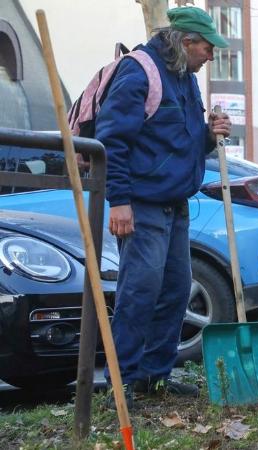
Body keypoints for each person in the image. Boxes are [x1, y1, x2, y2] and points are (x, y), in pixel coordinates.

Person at [96, 6, 231, 406]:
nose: (211, 56)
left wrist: (209, 136)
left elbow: (179, 144)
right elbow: (112, 141)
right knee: (140, 291)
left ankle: (154, 377)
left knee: (174, 290)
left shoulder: (185, 80)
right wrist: (118, 201)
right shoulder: (140, 72)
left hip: (175, 205)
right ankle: (120, 386)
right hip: (142, 204)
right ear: (186, 41)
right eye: (207, 48)